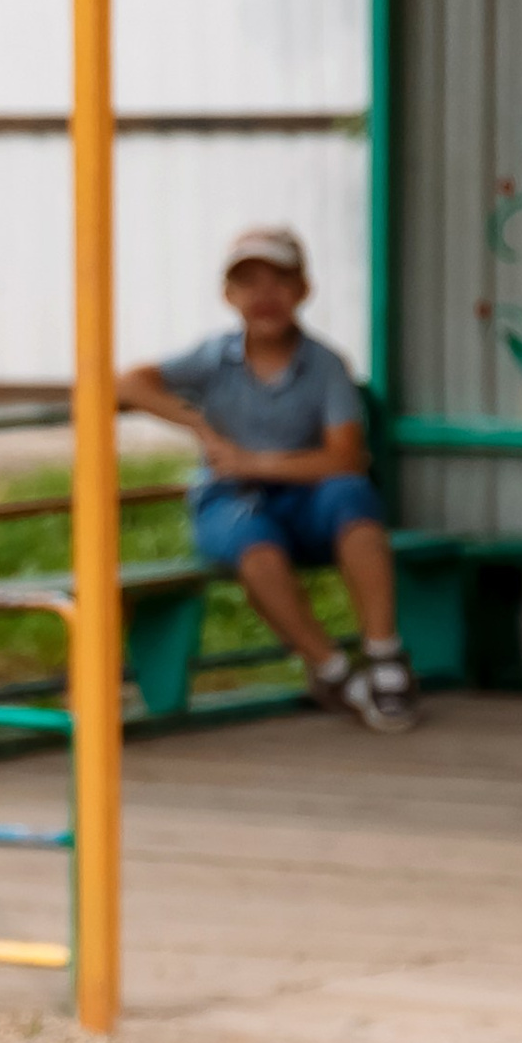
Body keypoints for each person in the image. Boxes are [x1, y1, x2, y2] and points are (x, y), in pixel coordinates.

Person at [116, 230, 420, 735]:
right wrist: (198, 424)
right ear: (228, 295)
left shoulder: (325, 365)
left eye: (279, 281)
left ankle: (384, 653)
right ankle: (331, 669)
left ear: (303, 290)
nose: (264, 296)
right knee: (254, 547)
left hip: (305, 496)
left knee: (355, 501)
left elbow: (345, 457)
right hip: (231, 499)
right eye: (248, 283)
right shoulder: (213, 357)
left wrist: (252, 462)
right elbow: (127, 383)